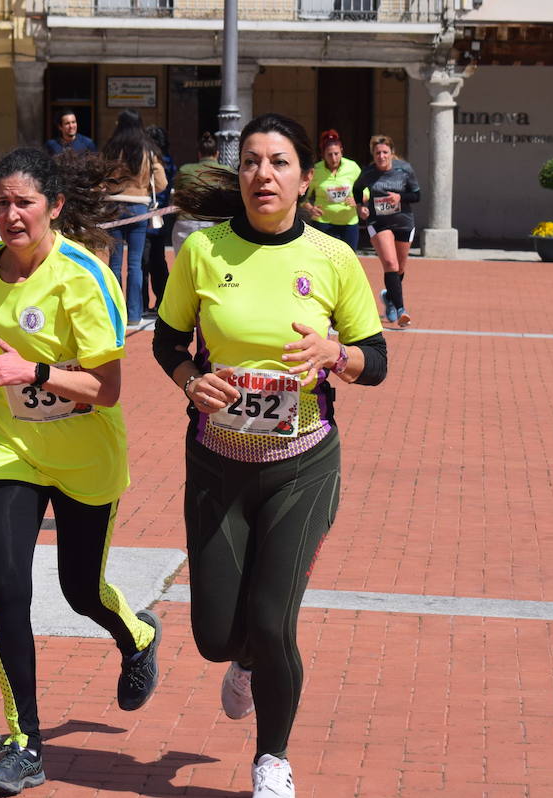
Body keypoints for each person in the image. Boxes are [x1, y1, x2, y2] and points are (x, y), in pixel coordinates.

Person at [152, 113, 386, 798]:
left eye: (280, 162)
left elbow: (377, 360)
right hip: (218, 462)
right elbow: (168, 344)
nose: (263, 174)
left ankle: (272, 760)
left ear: (304, 178)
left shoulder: (334, 258)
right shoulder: (203, 252)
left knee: (272, 619)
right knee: (217, 635)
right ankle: (242, 664)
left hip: (301, 465)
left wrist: (335, 355)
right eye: (252, 161)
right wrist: (194, 383)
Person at [0, 147, 162, 795]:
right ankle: (25, 743)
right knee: (7, 590)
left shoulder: (84, 275)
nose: (12, 216)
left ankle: (136, 632)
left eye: (25, 203)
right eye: (3, 204)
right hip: (7, 450)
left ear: (55, 208)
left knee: (79, 589)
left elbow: (107, 388)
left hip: (84, 455)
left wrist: (31, 373)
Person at [100, 110, 166, 328]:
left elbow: (100, 176)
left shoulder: (111, 149)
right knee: (135, 264)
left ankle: (114, 313)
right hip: (138, 207)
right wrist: (144, 188)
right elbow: (161, 182)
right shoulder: (147, 150)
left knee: (115, 263)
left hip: (114, 206)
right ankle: (134, 314)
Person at [354, 134, 420, 327]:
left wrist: (401, 197)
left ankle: (389, 297)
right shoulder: (369, 172)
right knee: (390, 263)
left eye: (384, 152)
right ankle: (401, 310)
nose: (381, 156)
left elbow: (417, 195)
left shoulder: (404, 169)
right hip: (379, 221)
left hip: (403, 222)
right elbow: (357, 189)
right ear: (373, 155)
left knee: (400, 268)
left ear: (392, 153)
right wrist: (360, 206)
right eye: (377, 153)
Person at [170, 131, 227, 257]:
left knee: (183, 266)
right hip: (215, 225)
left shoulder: (185, 169)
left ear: (199, 154)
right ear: (217, 154)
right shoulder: (226, 172)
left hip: (185, 223)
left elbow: (177, 194)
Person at [302, 129, 361, 250]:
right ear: (322, 154)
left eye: (336, 154)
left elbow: (365, 190)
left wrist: (358, 200)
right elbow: (302, 194)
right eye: (329, 154)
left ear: (342, 152)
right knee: (325, 259)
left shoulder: (352, 167)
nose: (334, 158)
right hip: (323, 222)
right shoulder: (315, 171)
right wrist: (310, 208)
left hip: (349, 223)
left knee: (348, 259)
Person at [142, 124, 176, 316]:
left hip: (148, 214)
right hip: (161, 216)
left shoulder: (151, 161)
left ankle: (143, 303)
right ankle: (162, 300)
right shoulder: (169, 161)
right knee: (159, 261)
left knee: (143, 262)